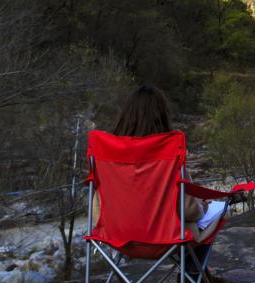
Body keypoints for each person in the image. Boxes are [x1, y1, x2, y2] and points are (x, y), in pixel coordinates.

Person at [92, 85, 225, 243]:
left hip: (117, 238)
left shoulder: (108, 152)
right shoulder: (169, 153)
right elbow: (188, 210)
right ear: (163, 117)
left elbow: (97, 210)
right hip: (166, 240)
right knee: (218, 211)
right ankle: (194, 267)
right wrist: (203, 207)